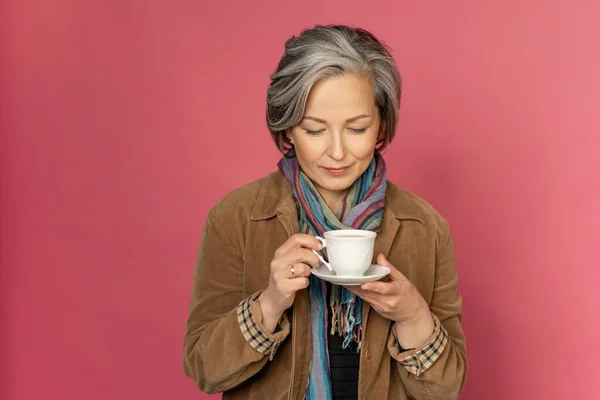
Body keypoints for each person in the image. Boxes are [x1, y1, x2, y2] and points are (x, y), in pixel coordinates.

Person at [183, 24, 467, 400]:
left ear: (381, 125)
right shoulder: (237, 218)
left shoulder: (425, 227)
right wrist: (269, 304)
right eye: (315, 130)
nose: (337, 152)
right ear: (287, 130)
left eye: (357, 128)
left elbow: (446, 390)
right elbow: (205, 369)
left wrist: (414, 317)